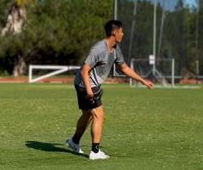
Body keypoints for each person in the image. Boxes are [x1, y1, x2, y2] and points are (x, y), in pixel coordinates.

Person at [66, 20, 154, 160]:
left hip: (89, 84)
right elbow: (84, 70)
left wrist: (142, 80)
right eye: (121, 31)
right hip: (85, 84)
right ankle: (95, 151)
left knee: (89, 115)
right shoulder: (99, 49)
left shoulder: (115, 49)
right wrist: (89, 90)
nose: (123, 34)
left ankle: (74, 141)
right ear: (114, 32)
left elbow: (124, 68)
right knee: (99, 115)